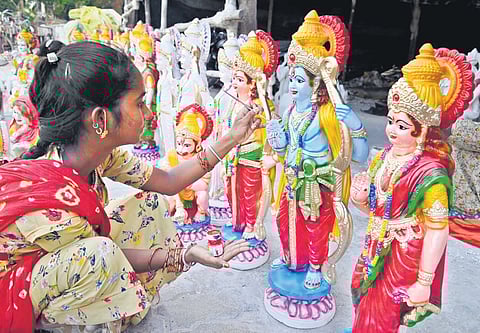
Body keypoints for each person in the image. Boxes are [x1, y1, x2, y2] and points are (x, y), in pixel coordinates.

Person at [0, 40, 261, 333]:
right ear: (101, 119)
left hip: (66, 258)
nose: (149, 114)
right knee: (98, 256)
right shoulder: (49, 203)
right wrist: (185, 255)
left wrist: (233, 137)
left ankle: (114, 304)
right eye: (138, 103)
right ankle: (56, 323)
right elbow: (111, 255)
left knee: (149, 204)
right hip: (15, 288)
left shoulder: (99, 154)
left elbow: (169, 182)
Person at [347, 44, 473, 333]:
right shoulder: (383, 156)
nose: (392, 130)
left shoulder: (431, 174)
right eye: (391, 121)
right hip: (374, 244)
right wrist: (359, 198)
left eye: (402, 126)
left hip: (403, 253)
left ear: (423, 129)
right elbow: (375, 208)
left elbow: (438, 229)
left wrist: (424, 282)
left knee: (383, 315)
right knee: (362, 301)